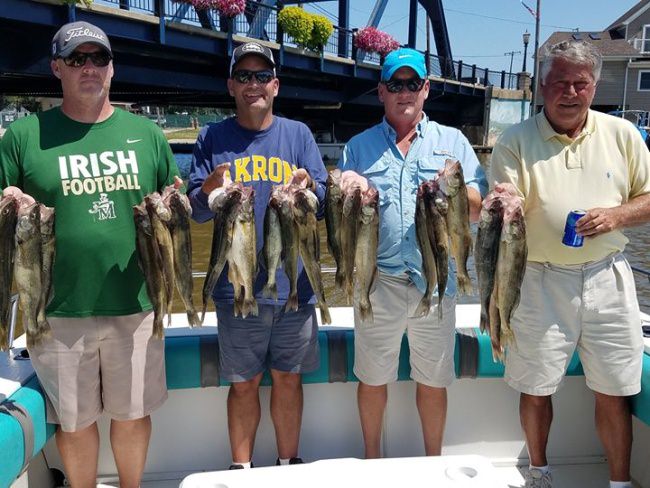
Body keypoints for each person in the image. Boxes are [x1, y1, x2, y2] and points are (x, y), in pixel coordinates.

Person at [0, 21, 180, 488]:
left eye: (98, 59)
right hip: (56, 308)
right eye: (77, 59)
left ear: (113, 69)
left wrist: (180, 202)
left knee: (133, 415)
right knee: (74, 423)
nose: (89, 68)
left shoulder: (148, 134)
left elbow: (172, 213)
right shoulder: (23, 137)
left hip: (137, 304)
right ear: (56, 67)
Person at [490, 40, 650, 488]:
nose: (570, 92)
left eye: (580, 83)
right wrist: (506, 205)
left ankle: (619, 483)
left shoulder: (622, 135)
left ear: (594, 87)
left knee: (615, 389)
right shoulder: (515, 140)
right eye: (560, 81)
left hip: (608, 277)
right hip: (538, 279)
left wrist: (617, 215)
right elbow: (505, 201)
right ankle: (539, 474)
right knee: (536, 388)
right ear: (543, 86)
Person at [337, 48, 487, 458]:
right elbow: (341, 212)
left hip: (436, 280)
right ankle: (372, 459)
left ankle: (433, 462)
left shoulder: (453, 142)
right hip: (376, 280)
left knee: (434, 380)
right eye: (396, 84)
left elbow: (477, 205)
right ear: (381, 92)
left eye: (413, 83)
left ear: (427, 89)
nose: (405, 92)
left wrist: (453, 192)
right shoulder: (358, 147)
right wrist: (344, 187)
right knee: (371, 377)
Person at [187, 41, 328, 469]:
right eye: (244, 76)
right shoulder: (211, 137)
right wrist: (208, 186)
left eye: (262, 76)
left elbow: (321, 202)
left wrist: (310, 188)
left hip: (294, 287)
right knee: (244, 383)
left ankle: (289, 464)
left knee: (288, 380)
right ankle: (241, 468)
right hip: (237, 287)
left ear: (276, 85)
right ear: (231, 85)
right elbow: (195, 211)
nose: (254, 85)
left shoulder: (299, 135)